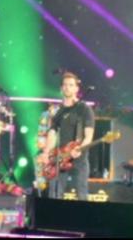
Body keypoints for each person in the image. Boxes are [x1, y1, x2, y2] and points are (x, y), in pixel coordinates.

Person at [38, 71, 94, 200]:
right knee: (55, 195)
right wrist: (46, 152)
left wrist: (79, 149)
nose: (67, 87)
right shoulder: (59, 112)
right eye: (65, 85)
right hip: (60, 158)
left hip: (79, 160)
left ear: (76, 88)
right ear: (61, 88)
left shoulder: (84, 109)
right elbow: (52, 133)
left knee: (81, 195)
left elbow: (89, 136)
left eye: (71, 85)